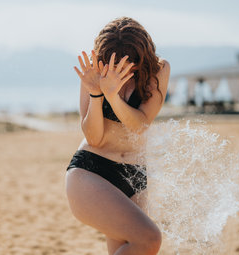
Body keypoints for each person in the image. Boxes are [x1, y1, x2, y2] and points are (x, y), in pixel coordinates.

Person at [65, 16, 170, 255]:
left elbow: (141, 125)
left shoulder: (159, 70)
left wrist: (113, 97)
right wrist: (95, 93)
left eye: (129, 64)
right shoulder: (94, 72)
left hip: (135, 176)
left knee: (130, 248)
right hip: (92, 172)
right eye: (115, 64)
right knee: (150, 239)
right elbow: (94, 138)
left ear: (142, 57)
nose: (122, 70)